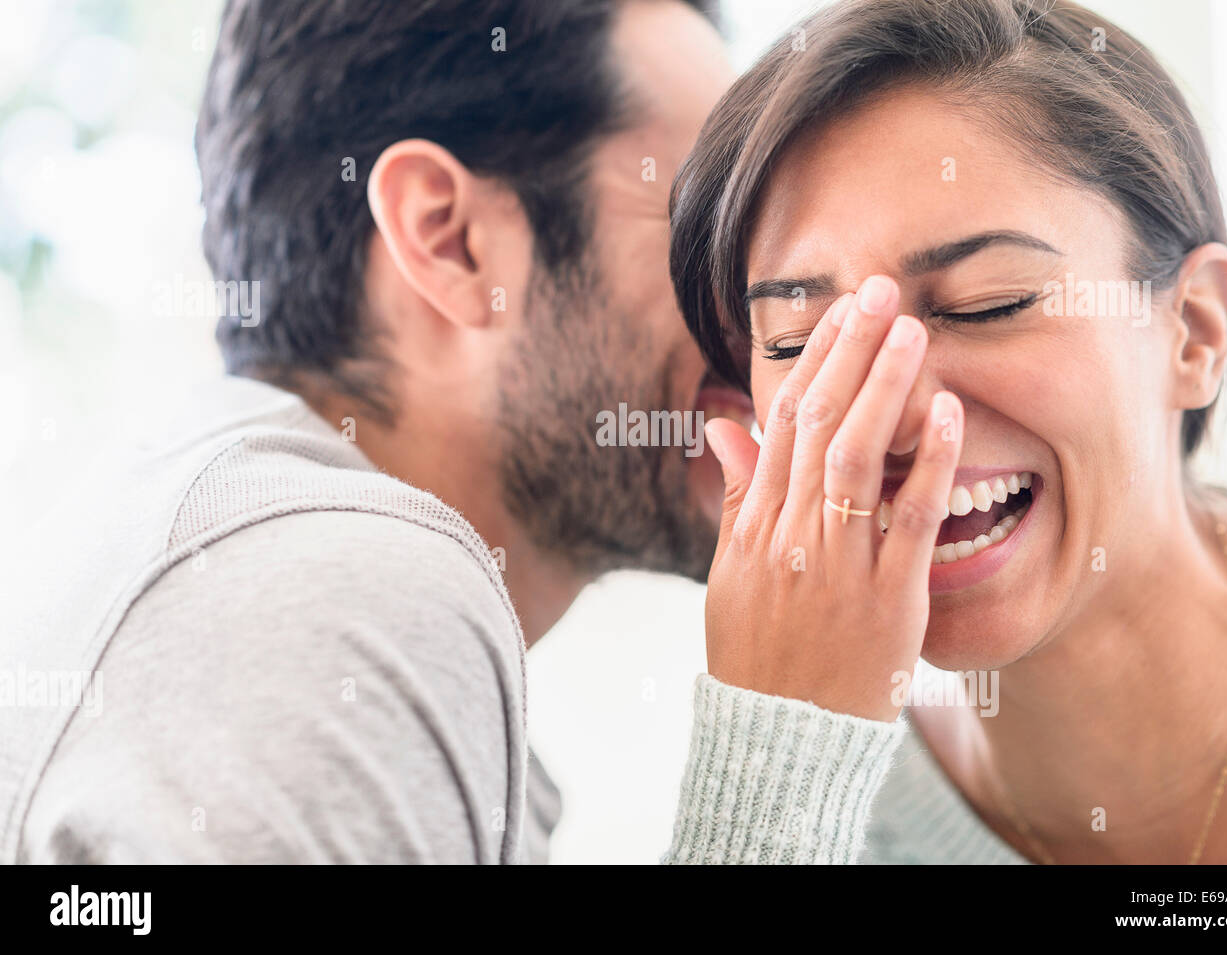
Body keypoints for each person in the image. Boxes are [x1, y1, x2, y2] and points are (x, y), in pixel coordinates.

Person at [1, 0, 896, 865]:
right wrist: (787, 758)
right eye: (704, 229)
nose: (771, 314)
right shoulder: (329, 592)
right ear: (448, 237)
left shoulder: (236, 557)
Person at [672, 0, 1227, 863]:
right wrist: (778, 754)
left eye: (987, 305)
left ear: (1194, 330)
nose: (884, 418)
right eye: (798, 342)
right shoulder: (809, 803)